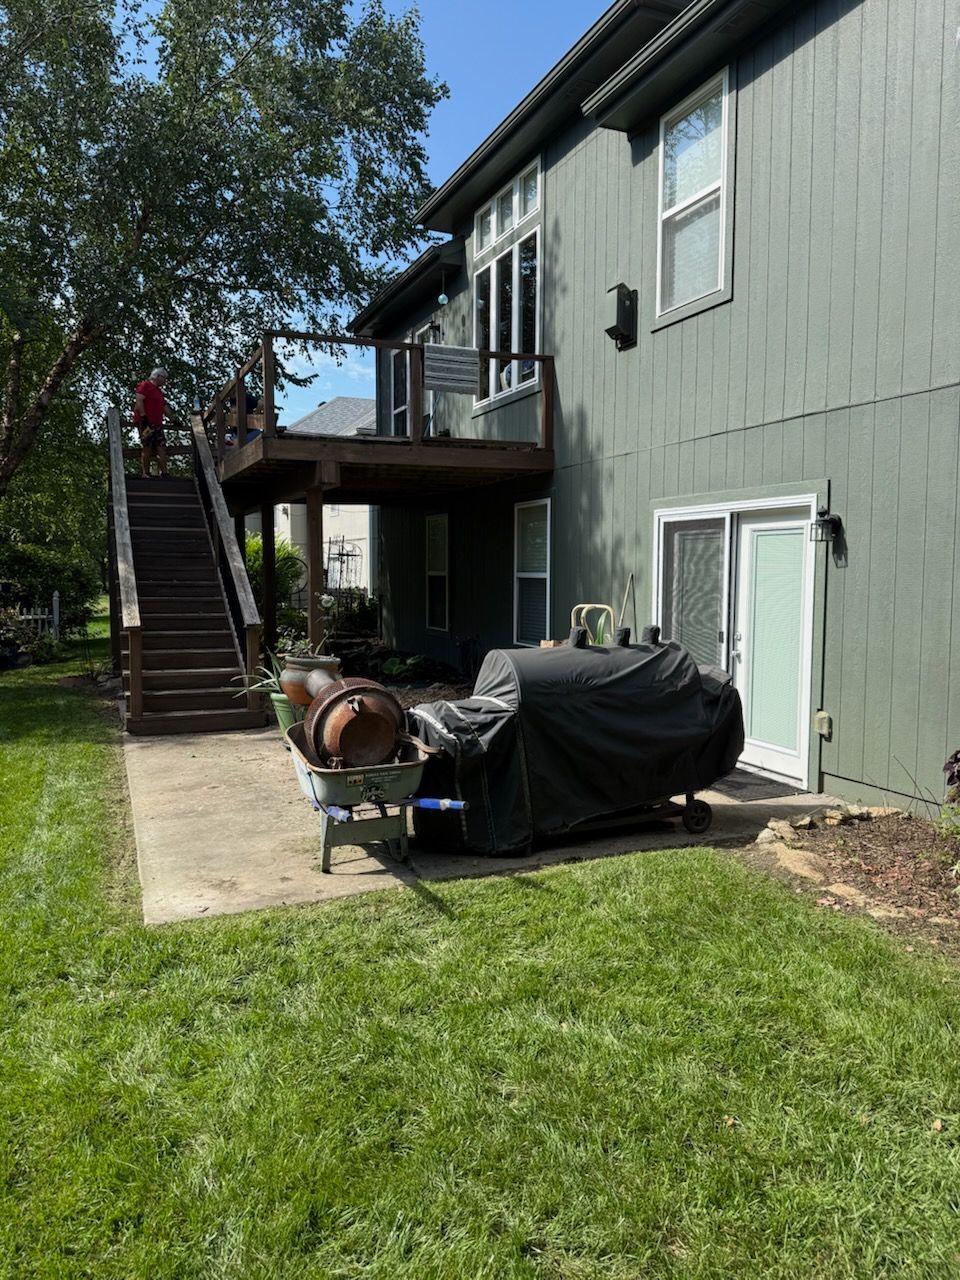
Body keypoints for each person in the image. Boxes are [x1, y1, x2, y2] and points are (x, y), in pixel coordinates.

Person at [133, 368, 179, 478]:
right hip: (146, 423)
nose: (165, 381)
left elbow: (164, 406)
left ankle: (164, 472)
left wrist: (173, 419)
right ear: (157, 376)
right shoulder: (145, 385)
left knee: (161, 447)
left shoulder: (158, 391)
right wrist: (143, 417)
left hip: (157, 424)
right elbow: (139, 400)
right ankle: (146, 473)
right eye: (164, 378)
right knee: (147, 446)